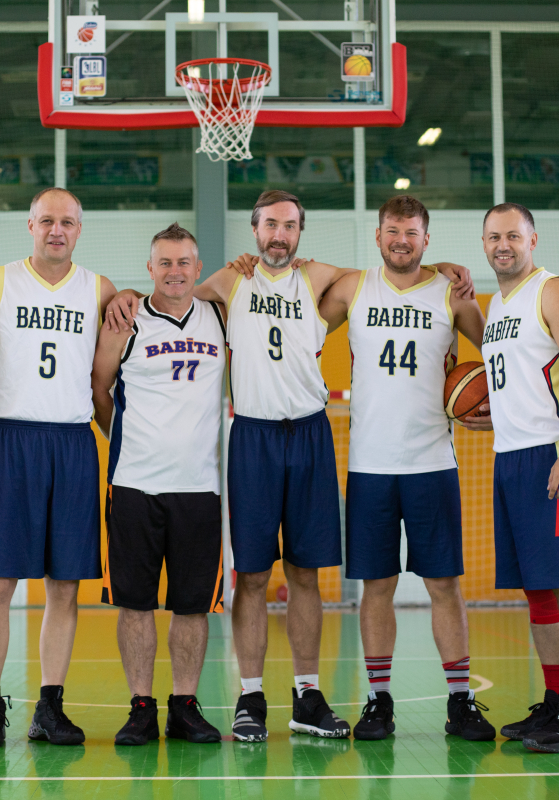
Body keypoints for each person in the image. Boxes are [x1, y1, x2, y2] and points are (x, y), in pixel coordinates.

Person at [106, 190, 474, 742]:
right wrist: (130, 293)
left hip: (309, 435)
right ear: (254, 231)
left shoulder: (324, 279)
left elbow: (396, 273)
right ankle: (250, 696)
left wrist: (441, 267)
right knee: (250, 577)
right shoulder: (229, 284)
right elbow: (170, 293)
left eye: (289, 226)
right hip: (251, 437)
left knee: (306, 574)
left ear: (301, 233)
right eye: (270, 225)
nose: (279, 235)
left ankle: (307, 694)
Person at [316, 194, 495, 742]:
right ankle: (378, 701)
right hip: (370, 465)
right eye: (392, 230)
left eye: (412, 232)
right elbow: (299, 326)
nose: (401, 239)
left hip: (432, 463)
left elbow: (499, 358)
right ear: (378, 236)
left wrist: (488, 406)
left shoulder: (453, 294)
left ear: (426, 238)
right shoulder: (353, 287)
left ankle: (460, 702)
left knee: (443, 585)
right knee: (377, 586)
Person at [0, 187, 124, 747]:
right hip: (13, 440)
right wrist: (6, 388)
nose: (57, 230)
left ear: (80, 230)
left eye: (68, 222)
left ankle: (49, 708)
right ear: (30, 225)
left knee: (65, 586)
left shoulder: (100, 289)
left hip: (75, 443)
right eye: (48, 220)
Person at [462, 202, 559, 753]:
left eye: (513, 236)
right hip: (510, 456)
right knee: (538, 589)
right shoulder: (497, 303)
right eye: (494, 236)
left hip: (552, 456)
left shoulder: (553, 290)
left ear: (532, 240)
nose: (503, 245)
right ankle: (554, 700)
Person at [91, 223, 228, 746]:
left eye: (184, 262)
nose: (175, 271)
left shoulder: (219, 316)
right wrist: (132, 440)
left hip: (199, 487)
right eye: (164, 263)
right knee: (136, 603)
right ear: (149, 269)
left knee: (195, 605)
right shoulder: (124, 323)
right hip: (133, 486)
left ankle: (186, 706)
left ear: (198, 268)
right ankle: (142, 707)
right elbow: (100, 389)